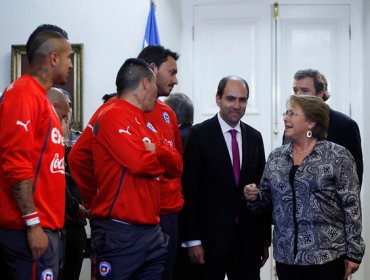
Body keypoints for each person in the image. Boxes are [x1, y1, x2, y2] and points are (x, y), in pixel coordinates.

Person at [245, 95, 365, 280]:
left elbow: (351, 206)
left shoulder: (338, 156)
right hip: (287, 258)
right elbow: (267, 204)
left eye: (292, 113)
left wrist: (354, 253)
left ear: (311, 123)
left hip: (327, 258)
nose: (285, 118)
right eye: (286, 113)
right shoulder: (276, 157)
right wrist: (254, 197)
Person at [88, 58, 182, 279]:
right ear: (145, 84)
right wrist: (157, 160)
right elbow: (140, 163)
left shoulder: (144, 120)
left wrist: (156, 151)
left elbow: (177, 167)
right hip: (121, 231)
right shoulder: (112, 114)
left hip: (152, 230)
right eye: (154, 85)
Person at [0, 24, 72, 280]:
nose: (70, 65)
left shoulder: (44, 101)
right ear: (54, 58)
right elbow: (16, 163)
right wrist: (32, 224)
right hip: (27, 231)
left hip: (46, 228)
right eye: (68, 57)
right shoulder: (22, 94)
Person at [181, 75, 270, 280]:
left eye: (242, 100)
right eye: (231, 99)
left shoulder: (255, 137)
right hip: (209, 242)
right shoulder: (199, 135)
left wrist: (264, 240)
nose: (237, 105)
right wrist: (193, 240)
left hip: (247, 242)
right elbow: (190, 189)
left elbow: (263, 190)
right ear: (218, 99)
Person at [138, 45, 184, 280]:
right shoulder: (120, 109)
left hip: (169, 215)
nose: (176, 80)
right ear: (152, 69)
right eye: (172, 72)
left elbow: (177, 165)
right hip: (138, 217)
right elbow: (80, 157)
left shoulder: (169, 113)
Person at [283, 69, 363, 186]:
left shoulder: (345, 125)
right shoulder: (292, 125)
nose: (298, 95)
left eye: (304, 91)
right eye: (295, 90)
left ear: (320, 94)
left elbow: (354, 177)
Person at [48, 87, 88, 280]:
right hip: (53, 221)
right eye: (65, 107)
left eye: (71, 106)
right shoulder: (45, 138)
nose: (68, 112)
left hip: (75, 223)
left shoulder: (80, 140)